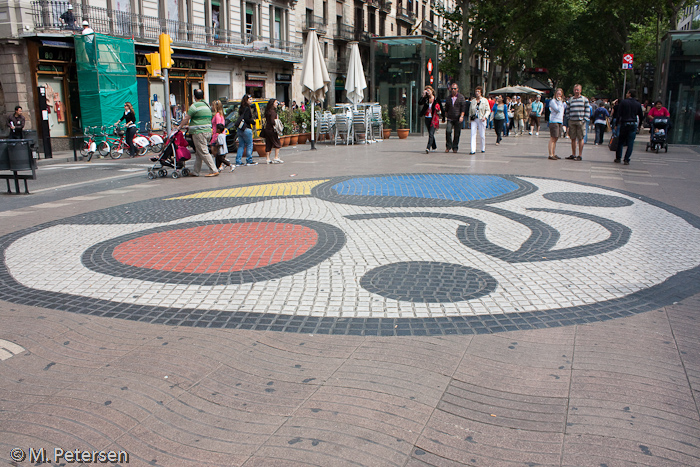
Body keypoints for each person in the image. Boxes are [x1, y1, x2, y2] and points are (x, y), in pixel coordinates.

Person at [178, 88, 220, 176]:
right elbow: (202, 120)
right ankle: (196, 171)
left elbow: (187, 118)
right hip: (208, 131)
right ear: (203, 96)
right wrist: (191, 126)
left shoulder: (195, 106)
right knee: (199, 152)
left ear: (194, 96)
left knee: (203, 151)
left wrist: (179, 127)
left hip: (199, 133)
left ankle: (214, 170)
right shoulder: (207, 106)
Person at [614, 89, 645, 165]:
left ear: (629, 94)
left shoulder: (624, 102)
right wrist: (640, 125)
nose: (626, 94)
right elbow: (641, 116)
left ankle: (618, 157)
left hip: (624, 123)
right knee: (630, 142)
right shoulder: (638, 104)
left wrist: (616, 124)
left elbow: (619, 114)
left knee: (621, 141)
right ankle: (627, 159)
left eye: (627, 93)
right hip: (633, 123)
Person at [564, 84, 589, 161]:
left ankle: (580, 155)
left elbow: (587, 110)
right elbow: (567, 110)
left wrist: (584, 119)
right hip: (572, 121)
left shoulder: (584, 99)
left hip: (580, 121)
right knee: (573, 138)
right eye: (575, 90)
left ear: (580, 90)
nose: (576, 91)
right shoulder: (570, 100)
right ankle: (573, 154)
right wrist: (568, 118)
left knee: (580, 138)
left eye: (578, 90)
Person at [443, 82, 467, 153]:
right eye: (452, 88)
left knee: (457, 134)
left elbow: (463, 108)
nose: (453, 90)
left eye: (455, 89)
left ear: (457, 89)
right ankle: (448, 146)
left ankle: (455, 147)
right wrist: (445, 116)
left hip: (457, 118)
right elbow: (446, 108)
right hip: (450, 118)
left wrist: (461, 116)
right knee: (448, 131)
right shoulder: (448, 98)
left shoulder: (461, 97)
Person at [235, 94, 257, 166]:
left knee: (241, 145)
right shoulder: (247, 108)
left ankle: (238, 160)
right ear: (246, 100)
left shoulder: (241, 108)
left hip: (240, 128)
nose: (251, 101)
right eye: (250, 99)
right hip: (246, 128)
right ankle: (249, 160)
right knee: (249, 144)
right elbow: (247, 119)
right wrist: (253, 122)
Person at [418, 85, 441, 153]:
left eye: (428, 90)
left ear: (432, 91)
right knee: (430, 133)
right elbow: (419, 103)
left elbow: (440, 108)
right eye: (426, 91)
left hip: (434, 118)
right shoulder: (426, 99)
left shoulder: (436, 99)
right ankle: (434, 146)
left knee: (431, 133)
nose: (428, 92)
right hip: (427, 117)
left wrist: (442, 116)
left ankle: (428, 147)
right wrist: (423, 95)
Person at [469, 86, 490, 154]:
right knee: (473, 133)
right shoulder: (473, 101)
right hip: (474, 119)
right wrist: (469, 119)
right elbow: (470, 111)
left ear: (481, 93)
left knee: (482, 135)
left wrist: (485, 116)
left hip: (481, 118)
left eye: (478, 91)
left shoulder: (484, 100)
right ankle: (473, 149)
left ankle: (482, 147)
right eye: (476, 91)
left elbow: (488, 110)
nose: (477, 93)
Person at [547, 87, 565, 160]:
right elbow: (557, 110)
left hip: (560, 121)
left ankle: (554, 153)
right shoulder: (553, 101)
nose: (559, 95)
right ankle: (550, 154)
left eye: (560, 94)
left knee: (556, 138)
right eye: (557, 94)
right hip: (554, 121)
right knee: (553, 138)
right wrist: (560, 102)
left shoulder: (562, 102)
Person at [263, 98, 283, 164]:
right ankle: (276, 157)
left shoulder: (267, 111)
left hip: (267, 129)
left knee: (268, 143)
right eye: (276, 103)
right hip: (272, 130)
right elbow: (272, 121)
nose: (277, 104)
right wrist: (276, 122)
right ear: (272, 103)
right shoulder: (273, 112)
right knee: (277, 143)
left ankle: (267, 159)